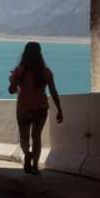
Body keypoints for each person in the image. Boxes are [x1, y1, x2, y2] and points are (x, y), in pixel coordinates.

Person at [9, 41, 64, 175]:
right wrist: (59, 109)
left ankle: (27, 153)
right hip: (41, 107)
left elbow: (11, 90)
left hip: (24, 107)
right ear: (40, 54)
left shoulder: (19, 71)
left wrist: (13, 81)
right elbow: (53, 91)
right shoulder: (46, 72)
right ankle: (35, 166)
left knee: (24, 136)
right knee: (36, 137)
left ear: (25, 53)